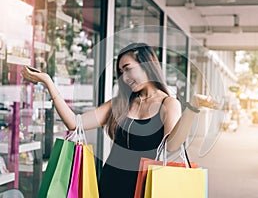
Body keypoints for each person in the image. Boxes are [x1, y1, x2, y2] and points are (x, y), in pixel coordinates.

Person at [21, 42, 214, 198]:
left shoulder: (168, 104)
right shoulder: (119, 104)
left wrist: (193, 107)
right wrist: (48, 82)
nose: (125, 77)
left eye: (128, 69)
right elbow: (74, 123)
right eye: (121, 72)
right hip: (110, 183)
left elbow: (172, 146)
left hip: (144, 187)